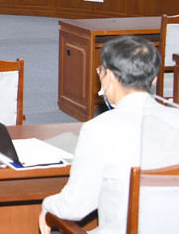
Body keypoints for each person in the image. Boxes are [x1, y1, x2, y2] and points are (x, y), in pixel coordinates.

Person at [39, 35, 179, 234]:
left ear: (110, 77)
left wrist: (47, 207)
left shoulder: (98, 129)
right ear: (155, 78)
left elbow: (74, 207)